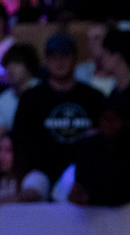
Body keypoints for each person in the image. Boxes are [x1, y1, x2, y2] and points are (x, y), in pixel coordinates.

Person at [11, 32, 106, 184]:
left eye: (64, 56)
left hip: (82, 175)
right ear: (46, 61)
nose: (59, 62)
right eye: (53, 57)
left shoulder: (94, 98)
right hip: (39, 175)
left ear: (75, 58)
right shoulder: (31, 98)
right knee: (33, 189)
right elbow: (20, 143)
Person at [0, 43, 41, 135]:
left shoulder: (44, 92)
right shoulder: (3, 99)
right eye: (8, 64)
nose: (10, 69)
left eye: (17, 63)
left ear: (29, 66)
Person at [0, 133, 50, 203]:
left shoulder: (36, 176)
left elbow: (29, 196)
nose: (1, 156)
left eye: (8, 150)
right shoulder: (2, 180)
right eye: (0, 150)